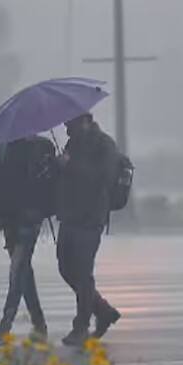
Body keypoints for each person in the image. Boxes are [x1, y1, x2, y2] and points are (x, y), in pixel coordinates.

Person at [56, 113, 122, 346]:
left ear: (84, 120)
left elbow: (103, 177)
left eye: (69, 123)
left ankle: (81, 327)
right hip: (69, 215)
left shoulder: (104, 144)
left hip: (90, 218)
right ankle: (102, 310)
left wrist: (70, 165)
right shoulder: (73, 143)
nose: (66, 127)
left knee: (83, 273)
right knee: (66, 269)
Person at [0, 135, 56, 342]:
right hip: (9, 218)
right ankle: (38, 323)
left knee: (18, 268)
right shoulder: (3, 148)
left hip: (30, 217)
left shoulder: (43, 147)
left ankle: (6, 324)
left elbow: (50, 182)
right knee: (23, 270)